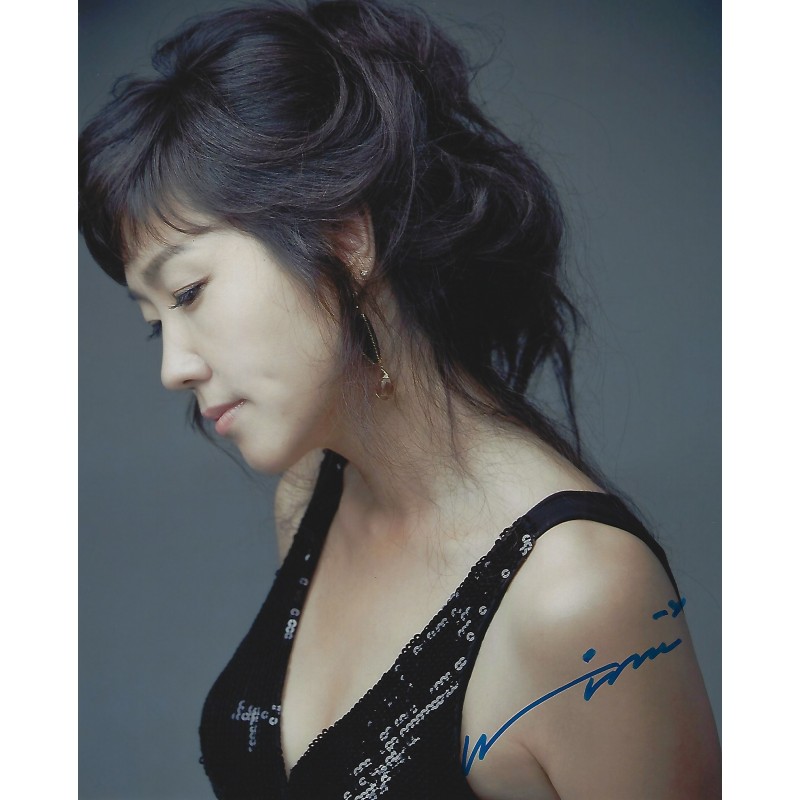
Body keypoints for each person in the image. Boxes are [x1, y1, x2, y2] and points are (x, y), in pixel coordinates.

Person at [79, 0, 721, 797]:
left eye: (187, 292)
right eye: (155, 324)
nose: (173, 367)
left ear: (345, 240)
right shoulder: (312, 497)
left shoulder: (578, 591)